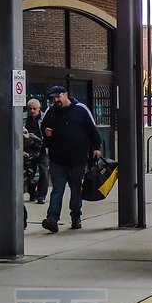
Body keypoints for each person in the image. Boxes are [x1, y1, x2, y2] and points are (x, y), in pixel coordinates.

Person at [41, 86, 102, 233]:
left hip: (78, 159)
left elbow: (92, 130)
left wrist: (96, 147)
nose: (56, 100)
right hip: (57, 160)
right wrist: (46, 132)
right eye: (53, 98)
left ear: (66, 94)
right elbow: (44, 128)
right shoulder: (51, 112)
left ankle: (76, 216)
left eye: (58, 97)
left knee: (76, 190)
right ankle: (52, 219)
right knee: (57, 190)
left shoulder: (81, 110)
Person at [0, 121, 30, 235]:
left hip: (10, 166)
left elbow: (24, 141)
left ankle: (20, 218)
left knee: (13, 193)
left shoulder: (17, 124)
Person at [23, 99, 49, 204]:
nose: (32, 111)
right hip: (29, 150)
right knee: (30, 173)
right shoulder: (23, 118)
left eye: (35, 109)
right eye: (30, 109)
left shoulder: (45, 118)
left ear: (39, 109)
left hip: (42, 149)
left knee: (44, 172)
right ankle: (32, 192)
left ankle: (41, 195)